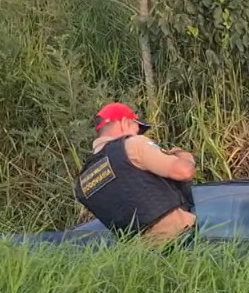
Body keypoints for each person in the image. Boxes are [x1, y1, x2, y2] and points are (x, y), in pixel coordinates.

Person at [73, 102, 197, 246]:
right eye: (137, 127)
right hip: (182, 237)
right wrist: (183, 155)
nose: (138, 133)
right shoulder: (133, 145)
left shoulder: (83, 182)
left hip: (142, 254)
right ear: (124, 123)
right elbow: (184, 171)